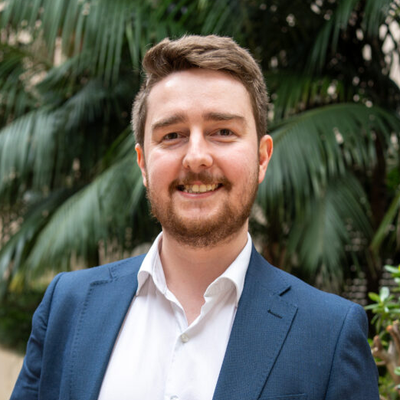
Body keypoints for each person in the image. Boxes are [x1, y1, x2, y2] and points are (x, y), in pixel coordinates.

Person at [11, 35, 379, 400]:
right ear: (143, 163)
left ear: (262, 157)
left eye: (223, 132)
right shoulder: (67, 306)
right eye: (172, 135)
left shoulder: (329, 336)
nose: (196, 157)